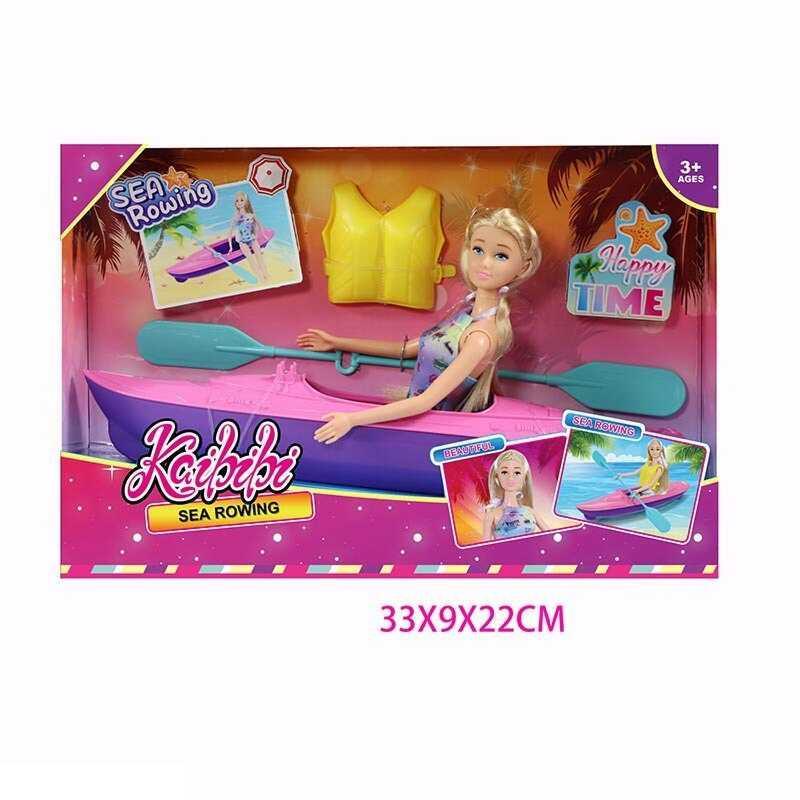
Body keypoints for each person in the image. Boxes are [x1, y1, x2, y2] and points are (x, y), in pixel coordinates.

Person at [297, 206, 542, 444]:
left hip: (429, 430)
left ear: (523, 267)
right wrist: (336, 342)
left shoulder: (480, 337)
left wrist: (352, 420)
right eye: (478, 250)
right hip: (411, 419)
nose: (485, 263)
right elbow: (406, 350)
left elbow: (425, 402)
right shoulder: (465, 316)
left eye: (501, 256)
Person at [482, 449, 546, 540]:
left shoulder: (530, 512)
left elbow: (551, 535)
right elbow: (485, 546)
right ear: (497, 477)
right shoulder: (491, 514)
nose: (510, 478)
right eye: (504, 472)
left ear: (524, 477)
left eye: (517, 472)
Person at [227, 191, 268, 282]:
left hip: (252, 238)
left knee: (259, 256)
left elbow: (259, 225)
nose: (239, 202)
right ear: (235, 203)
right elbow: (230, 232)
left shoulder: (251, 214)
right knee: (251, 259)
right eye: (237, 201)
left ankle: (265, 274)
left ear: (246, 201)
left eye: (241, 200)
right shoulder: (236, 217)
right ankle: (260, 277)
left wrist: (263, 235)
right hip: (242, 241)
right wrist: (230, 247)